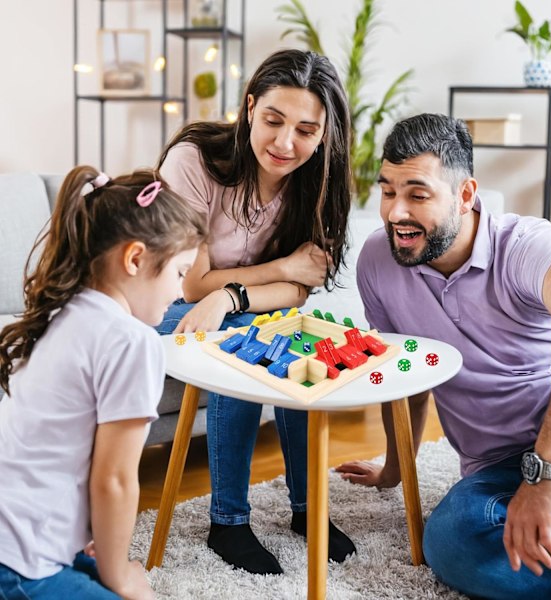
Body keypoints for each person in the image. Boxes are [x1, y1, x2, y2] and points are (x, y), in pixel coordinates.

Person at [335, 113, 551, 599]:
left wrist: (547, 471)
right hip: (496, 466)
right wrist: (394, 470)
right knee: (451, 542)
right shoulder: (378, 260)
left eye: (417, 194)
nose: (395, 212)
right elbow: (404, 373)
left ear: (464, 195)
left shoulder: (523, 246)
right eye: (388, 191)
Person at [155, 48, 356, 575]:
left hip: (237, 309)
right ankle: (229, 521)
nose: (285, 143)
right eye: (273, 120)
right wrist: (278, 267)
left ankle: (308, 508)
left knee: (291, 336)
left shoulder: (320, 182)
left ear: (325, 134)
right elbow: (192, 283)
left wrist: (234, 296)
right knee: (247, 336)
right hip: (165, 307)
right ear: (249, 108)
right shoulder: (194, 161)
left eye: (306, 130)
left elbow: (300, 292)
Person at [0, 166, 205, 599]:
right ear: (134, 259)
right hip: (18, 562)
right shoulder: (131, 342)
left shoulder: (62, 313)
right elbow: (114, 478)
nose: (183, 292)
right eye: (180, 272)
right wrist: (119, 575)